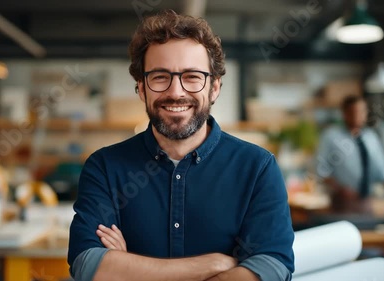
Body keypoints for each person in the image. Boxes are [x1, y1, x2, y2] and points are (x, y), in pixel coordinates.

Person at [68, 10, 294, 281]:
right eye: (160, 77)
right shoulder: (104, 167)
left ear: (215, 88)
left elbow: (271, 267)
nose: (176, 92)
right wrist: (212, 265)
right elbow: (88, 265)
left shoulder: (257, 168)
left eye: (192, 76)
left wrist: (129, 267)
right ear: (141, 87)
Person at [316, 95, 384, 212]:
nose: (358, 115)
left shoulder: (371, 138)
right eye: (354, 111)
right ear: (345, 113)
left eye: (362, 111)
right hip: (342, 201)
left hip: (366, 201)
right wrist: (339, 188)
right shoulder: (330, 136)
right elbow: (320, 169)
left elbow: (381, 168)